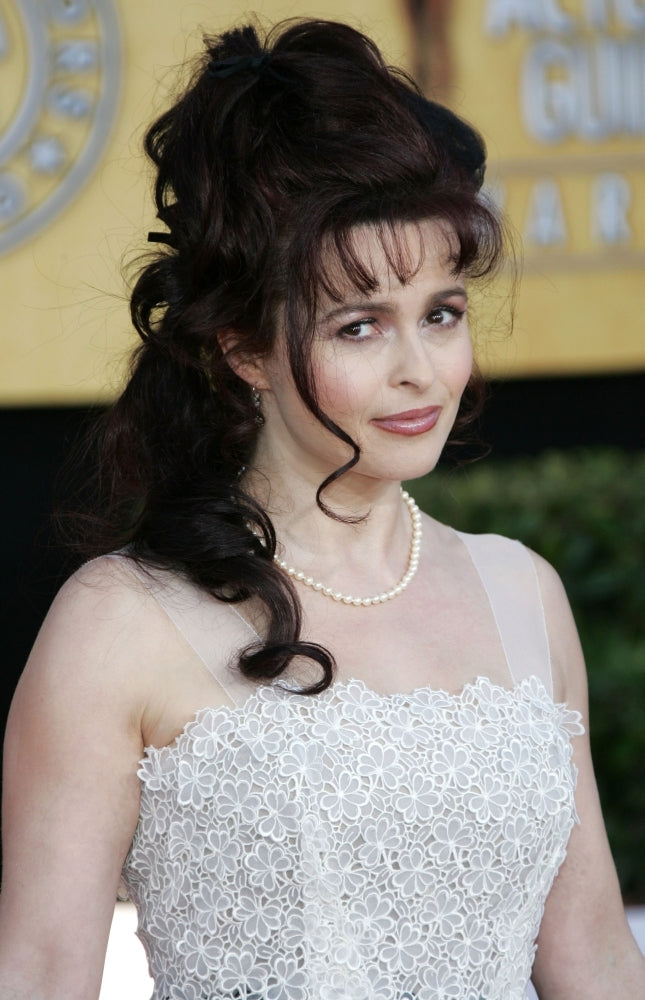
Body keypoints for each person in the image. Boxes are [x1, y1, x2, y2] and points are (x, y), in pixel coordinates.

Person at [0, 18, 642, 1000]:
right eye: (359, 325)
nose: (419, 370)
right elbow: (39, 977)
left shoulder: (523, 592)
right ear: (243, 350)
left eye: (442, 312)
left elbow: (596, 957)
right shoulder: (115, 624)